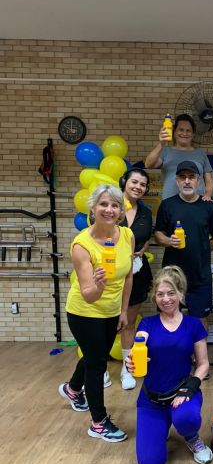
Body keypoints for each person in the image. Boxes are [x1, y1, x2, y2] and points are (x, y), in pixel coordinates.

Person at [58, 184, 134, 442]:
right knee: (97, 363)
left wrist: (123, 310)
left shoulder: (127, 235)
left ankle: (72, 389)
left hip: (111, 310)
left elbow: (128, 276)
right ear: (93, 207)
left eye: (115, 205)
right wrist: (99, 286)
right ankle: (98, 423)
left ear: (121, 210)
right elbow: (89, 295)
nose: (109, 210)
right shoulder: (82, 245)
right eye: (103, 204)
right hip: (85, 311)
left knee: (96, 355)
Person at [126, 266, 213, 464]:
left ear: (180, 293)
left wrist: (190, 388)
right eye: (160, 294)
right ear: (154, 297)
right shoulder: (147, 324)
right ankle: (161, 426)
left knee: (186, 419)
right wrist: (131, 360)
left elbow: (203, 364)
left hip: (182, 393)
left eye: (171, 293)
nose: (166, 299)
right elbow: (140, 343)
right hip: (152, 398)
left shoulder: (193, 325)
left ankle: (191, 437)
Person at [154, 160, 213, 330]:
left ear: (198, 181)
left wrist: (202, 250)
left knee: (200, 321)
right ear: (177, 181)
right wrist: (169, 241)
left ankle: (199, 350)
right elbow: (158, 234)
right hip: (172, 276)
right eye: (182, 177)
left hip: (200, 276)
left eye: (191, 177)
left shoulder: (208, 207)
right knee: (168, 318)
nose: (187, 181)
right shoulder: (167, 205)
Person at [118, 167, 153, 390]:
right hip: (110, 274)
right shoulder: (111, 206)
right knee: (104, 324)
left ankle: (126, 369)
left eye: (143, 184)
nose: (138, 187)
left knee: (129, 322)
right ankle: (99, 369)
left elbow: (146, 237)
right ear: (124, 182)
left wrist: (142, 249)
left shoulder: (145, 213)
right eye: (134, 182)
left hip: (137, 272)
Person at [144, 113, 213, 200]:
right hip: (170, 202)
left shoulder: (200, 153)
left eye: (188, 130)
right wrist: (161, 144)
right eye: (181, 130)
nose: (184, 133)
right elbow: (148, 164)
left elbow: (209, 179)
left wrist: (208, 195)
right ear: (174, 132)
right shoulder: (165, 151)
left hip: (197, 203)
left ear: (193, 134)